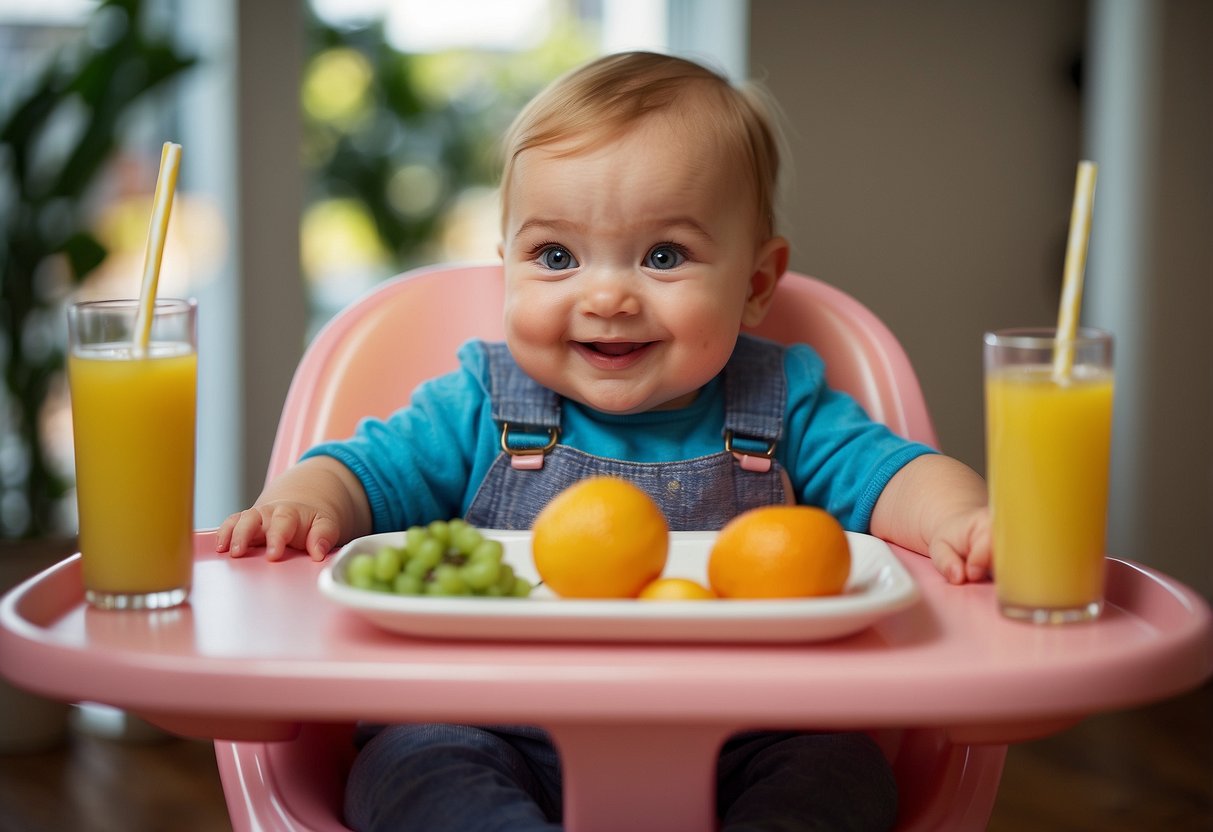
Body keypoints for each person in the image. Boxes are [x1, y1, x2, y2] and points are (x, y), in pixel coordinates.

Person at [218, 51, 991, 832]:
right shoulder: (482, 403)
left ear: (756, 285)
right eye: (556, 257)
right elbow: (361, 473)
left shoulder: (780, 405)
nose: (607, 295)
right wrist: (299, 503)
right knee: (415, 766)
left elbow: (897, 476)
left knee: (838, 772)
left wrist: (961, 519)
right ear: (508, 273)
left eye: (663, 256)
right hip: (480, 721)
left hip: (748, 728)